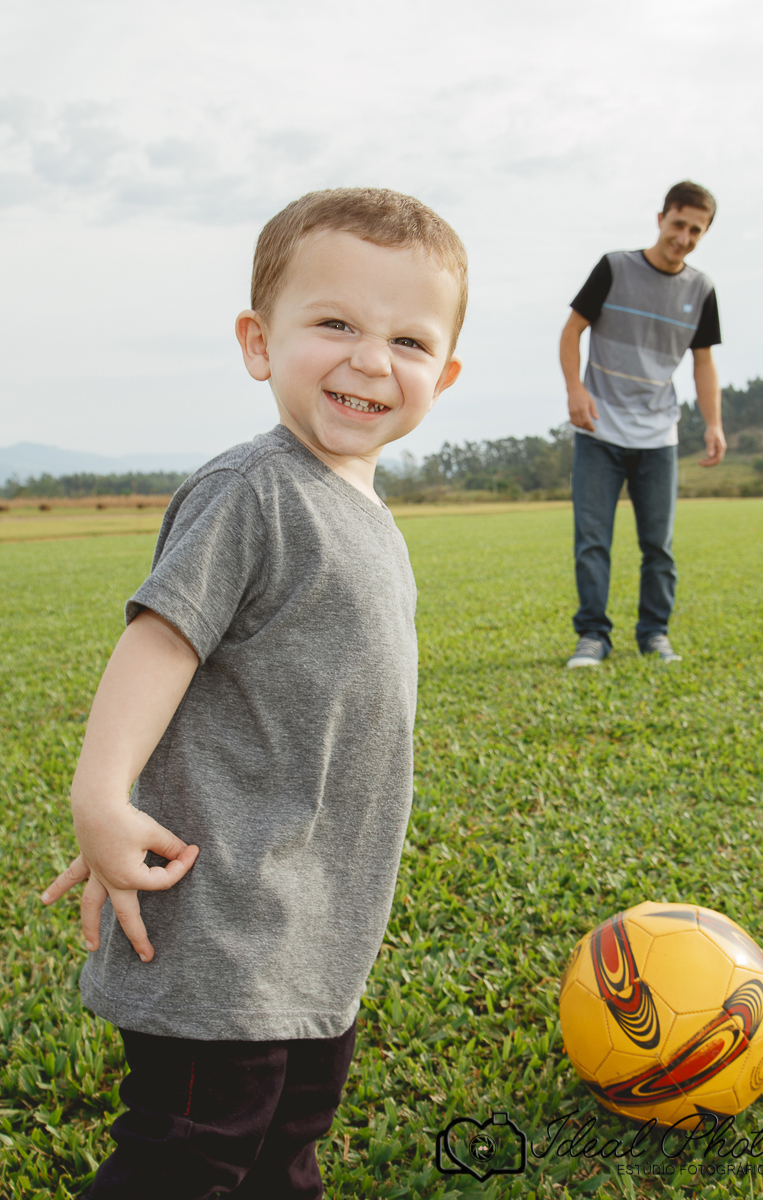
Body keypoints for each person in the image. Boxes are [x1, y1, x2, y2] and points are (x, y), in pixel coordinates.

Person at [41, 187, 466, 1199]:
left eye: (407, 340)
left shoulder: (365, 507)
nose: (370, 359)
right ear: (257, 341)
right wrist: (102, 794)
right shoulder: (253, 490)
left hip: (318, 928)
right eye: (335, 324)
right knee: (192, 1153)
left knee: (286, 1148)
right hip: (225, 916)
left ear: (443, 376)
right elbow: (160, 640)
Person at [559, 180, 726, 668]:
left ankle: (654, 634)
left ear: (704, 232)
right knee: (593, 541)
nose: (684, 236)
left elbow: (703, 363)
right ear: (661, 219)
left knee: (659, 546)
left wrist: (713, 424)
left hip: (658, 435)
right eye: (678, 224)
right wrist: (575, 389)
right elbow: (572, 331)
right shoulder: (615, 267)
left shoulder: (702, 288)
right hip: (599, 429)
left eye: (696, 230)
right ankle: (593, 635)